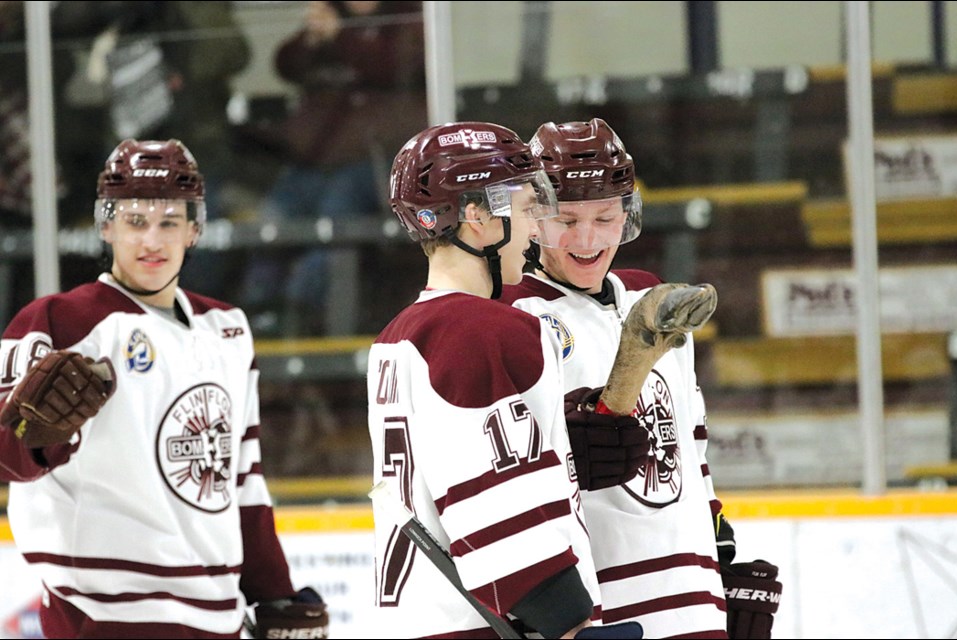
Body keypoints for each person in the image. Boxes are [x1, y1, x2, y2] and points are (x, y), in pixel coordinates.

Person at [0, 139, 328, 639]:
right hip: (102, 617)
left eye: (169, 222)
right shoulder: (60, 322)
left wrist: (272, 592)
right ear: (105, 226)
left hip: (216, 617)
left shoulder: (228, 330)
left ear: (194, 229)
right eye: (135, 221)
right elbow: (6, 454)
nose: (151, 240)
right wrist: (37, 435)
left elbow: (240, 478)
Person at [501, 119, 780, 639]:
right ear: (533, 220)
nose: (586, 239)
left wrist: (721, 563)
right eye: (565, 219)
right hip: (596, 607)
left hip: (691, 598)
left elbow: (688, 446)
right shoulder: (512, 315)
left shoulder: (654, 299)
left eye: (605, 217)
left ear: (628, 214)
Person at [367, 122, 643, 639]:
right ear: (477, 218)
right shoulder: (483, 328)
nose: (537, 229)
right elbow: (492, 503)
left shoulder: (399, 332)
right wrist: (570, 626)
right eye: (524, 210)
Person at [241, 0, 427, 336]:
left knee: (332, 224)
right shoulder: (332, 17)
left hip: (371, 161)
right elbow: (286, 64)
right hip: (313, 160)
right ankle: (257, 314)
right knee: (272, 218)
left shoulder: (405, 15)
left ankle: (301, 312)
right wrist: (312, 39)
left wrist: (342, 36)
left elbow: (395, 66)